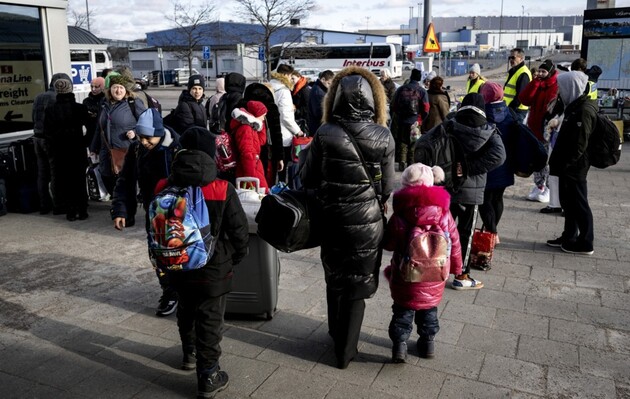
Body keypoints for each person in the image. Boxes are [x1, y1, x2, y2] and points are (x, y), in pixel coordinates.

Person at [301, 66, 395, 369]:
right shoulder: (383, 135)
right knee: (357, 282)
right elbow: (388, 186)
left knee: (335, 275)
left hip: (331, 218)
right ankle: (346, 349)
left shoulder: (325, 133)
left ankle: (334, 332)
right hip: (367, 222)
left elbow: (308, 178)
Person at [156, 128, 248, 399]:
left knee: (185, 308)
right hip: (213, 268)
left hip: (176, 265)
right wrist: (233, 258)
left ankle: (189, 353)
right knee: (209, 318)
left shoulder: (164, 186)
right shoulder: (221, 188)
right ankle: (208, 374)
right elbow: (239, 231)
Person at [415, 93, 506, 290]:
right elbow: (499, 156)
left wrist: (442, 169)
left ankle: (432, 269)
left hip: (444, 187)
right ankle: (462, 275)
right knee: (465, 233)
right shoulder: (489, 129)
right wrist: (468, 169)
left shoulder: (450, 123)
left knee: (440, 229)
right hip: (470, 192)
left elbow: (423, 143)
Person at [382, 163, 462, 362]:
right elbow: (455, 240)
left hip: (405, 274)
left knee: (403, 310)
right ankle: (427, 344)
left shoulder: (401, 214)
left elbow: (389, 244)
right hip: (435, 274)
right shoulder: (443, 212)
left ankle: (400, 346)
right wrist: (457, 267)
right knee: (429, 309)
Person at [111, 108, 181, 317]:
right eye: (140, 137)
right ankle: (169, 292)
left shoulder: (176, 148)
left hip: (178, 212)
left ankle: (183, 290)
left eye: (147, 137)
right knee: (157, 255)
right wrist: (121, 210)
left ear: (159, 133)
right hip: (153, 211)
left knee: (179, 253)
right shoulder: (136, 150)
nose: (143, 142)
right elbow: (125, 181)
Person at [547, 71, 597, 255]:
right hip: (567, 165)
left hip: (575, 166)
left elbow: (579, 145)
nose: (559, 90)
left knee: (579, 203)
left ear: (572, 88)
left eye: (562, 87)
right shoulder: (574, 106)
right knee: (568, 202)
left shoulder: (583, 110)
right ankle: (569, 236)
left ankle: (586, 242)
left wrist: (567, 165)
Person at [477, 82, 518, 269]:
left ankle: (491, 232)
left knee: (485, 200)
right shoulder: (509, 113)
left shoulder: (482, 115)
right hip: (506, 163)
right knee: (498, 198)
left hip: (488, 164)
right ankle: (493, 231)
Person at [90, 73, 146, 195]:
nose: (118, 90)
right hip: (107, 151)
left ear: (126, 89)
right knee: (106, 178)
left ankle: (123, 208)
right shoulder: (104, 104)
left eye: (121, 87)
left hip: (126, 149)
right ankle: (118, 202)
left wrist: (136, 133)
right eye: (115, 87)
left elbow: (147, 122)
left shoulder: (133, 103)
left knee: (126, 182)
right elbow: (99, 128)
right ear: (110, 89)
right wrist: (94, 148)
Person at [43, 78, 90, 221]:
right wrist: (84, 142)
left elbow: (47, 133)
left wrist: (52, 147)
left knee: (65, 181)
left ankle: (70, 211)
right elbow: (90, 128)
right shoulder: (80, 108)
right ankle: (82, 210)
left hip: (60, 150)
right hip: (77, 148)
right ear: (71, 89)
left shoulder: (50, 110)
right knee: (80, 180)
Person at [519, 59, 559, 204]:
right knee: (536, 159)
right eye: (539, 71)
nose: (541, 74)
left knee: (546, 160)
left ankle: (548, 188)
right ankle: (539, 185)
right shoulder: (538, 84)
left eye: (544, 71)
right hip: (534, 128)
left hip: (547, 129)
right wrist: (535, 83)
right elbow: (524, 99)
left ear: (550, 72)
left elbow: (551, 107)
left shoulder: (555, 85)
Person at [31, 72, 71, 215]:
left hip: (37, 138)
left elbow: (33, 117)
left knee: (42, 173)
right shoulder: (56, 98)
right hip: (50, 140)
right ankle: (58, 205)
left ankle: (44, 205)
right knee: (56, 173)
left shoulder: (38, 97)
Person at [238, 82, 283, 186]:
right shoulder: (271, 107)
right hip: (268, 153)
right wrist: (280, 157)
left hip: (248, 156)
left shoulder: (243, 106)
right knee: (266, 183)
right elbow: (277, 134)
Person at [391, 68, 430, 171]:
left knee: (403, 142)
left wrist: (399, 116)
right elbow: (426, 108)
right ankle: (411, 165)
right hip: (416, 121)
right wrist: (421, 119)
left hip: (402, 121)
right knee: (414, 143)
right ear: (419, 78)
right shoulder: (421, 91)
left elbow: (394, 105)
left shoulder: (401, 89)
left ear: (411, 76)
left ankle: (402, 162)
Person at [270, 64, 303, 185]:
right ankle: (282, 189)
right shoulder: (284, 91)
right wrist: (298, 131)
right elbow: (286, 116)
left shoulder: (270, 86)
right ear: (285, 75)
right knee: (282, 167)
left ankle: (273, 187)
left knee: (272, 166)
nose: (290, 79)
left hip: (270, 133)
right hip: (283, 135)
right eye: (290, 76)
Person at [231, 100, 270, 192]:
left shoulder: (251, 127)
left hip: (253, 166)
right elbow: (246, 153)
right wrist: (250, 177)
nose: (264, 118)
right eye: (263, 115)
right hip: (249, 169)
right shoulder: (246, 129)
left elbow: (261, 141)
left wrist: (260, 125)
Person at [503, 48, 532, 123]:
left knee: (513, 133)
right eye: (510, 58)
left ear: (521, 58)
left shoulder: (523, 73)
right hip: (510, 109)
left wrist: (510, 109)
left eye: (513, 57)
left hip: (517, 111)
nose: (511, 60)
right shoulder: (514, 71)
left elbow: (521, 96)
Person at [307, 70, 334, 135]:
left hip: (317, 126)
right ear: (323, 79)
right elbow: (319, 112)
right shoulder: (319, 92)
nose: (330, 86)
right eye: (329, 83)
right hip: (318, 127)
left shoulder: (319, 88)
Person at [83, 76, 106, 148]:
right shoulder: (86, 101)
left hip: (104, 135)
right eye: (92, 86)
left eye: (96, 87)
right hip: (91, 134)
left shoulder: (106, 100)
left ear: (102, 87)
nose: (93, 89)